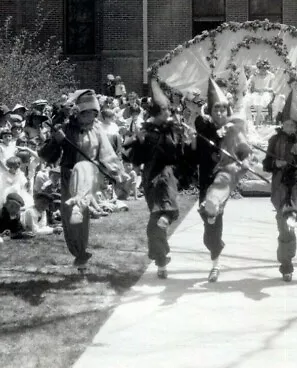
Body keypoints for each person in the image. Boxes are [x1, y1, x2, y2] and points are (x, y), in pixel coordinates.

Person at [38, 89, 129, 266]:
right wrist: (56, 140)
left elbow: (108, 154)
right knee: (69, 217)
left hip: (88, 174)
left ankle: (81, 245)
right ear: (80, 113)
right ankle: (79, 254)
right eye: (89, 114)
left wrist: (119, 175)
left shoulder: (97, 129)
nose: (93, 118)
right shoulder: (65, 129)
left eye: (95, 114)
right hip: (68, 175)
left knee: (81, 212)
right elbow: (47, 155)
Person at [122, 80, 185, 279]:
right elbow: (135, 158)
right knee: (156, 222)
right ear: (156, 113)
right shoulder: (146, 132)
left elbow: (178, 154)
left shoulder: (174, 130)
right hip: (150, 176)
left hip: (166, 174)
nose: (169, 113)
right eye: (165, 110)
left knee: (156, 222)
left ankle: (169, 219)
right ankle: (162, 260)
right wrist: (139, 142)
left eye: (169, 109)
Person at [193, 78, 252, 282]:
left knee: (216, 201)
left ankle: (215, 265)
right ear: (210, 111)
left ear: (228, 111)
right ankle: (211, 218)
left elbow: (244, 150)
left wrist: (245, 161)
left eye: (223, 109)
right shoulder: (204, 128)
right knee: (209, 231)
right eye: (215, 109)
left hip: (225, 175)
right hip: (206, 178)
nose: (220, 113)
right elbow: (199, 122)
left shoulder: (234, 129)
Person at [263, 118, 297, 282]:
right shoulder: (274, 140)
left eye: (292, 125)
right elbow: (266, 164)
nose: (289, 127)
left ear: (296, 126)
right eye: (286, 124)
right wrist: (275, 163)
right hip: (280, 185)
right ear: (282, 125)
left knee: (289, 221)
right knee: (285, 229)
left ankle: (287, 265)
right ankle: (286, 261)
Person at [248, 60, 275, 126]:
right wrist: (258, 90)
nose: (263, 70)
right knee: (255, 101)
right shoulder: (254, 76)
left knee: (260, 103)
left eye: (265, 69)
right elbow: (252, 89)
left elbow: (271, 88)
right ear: (259, 68)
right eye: (261, 69)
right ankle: (259, 117)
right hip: (256, 93)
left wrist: (265, 89)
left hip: (266, 94)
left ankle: (257, 124)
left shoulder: (270, 76)